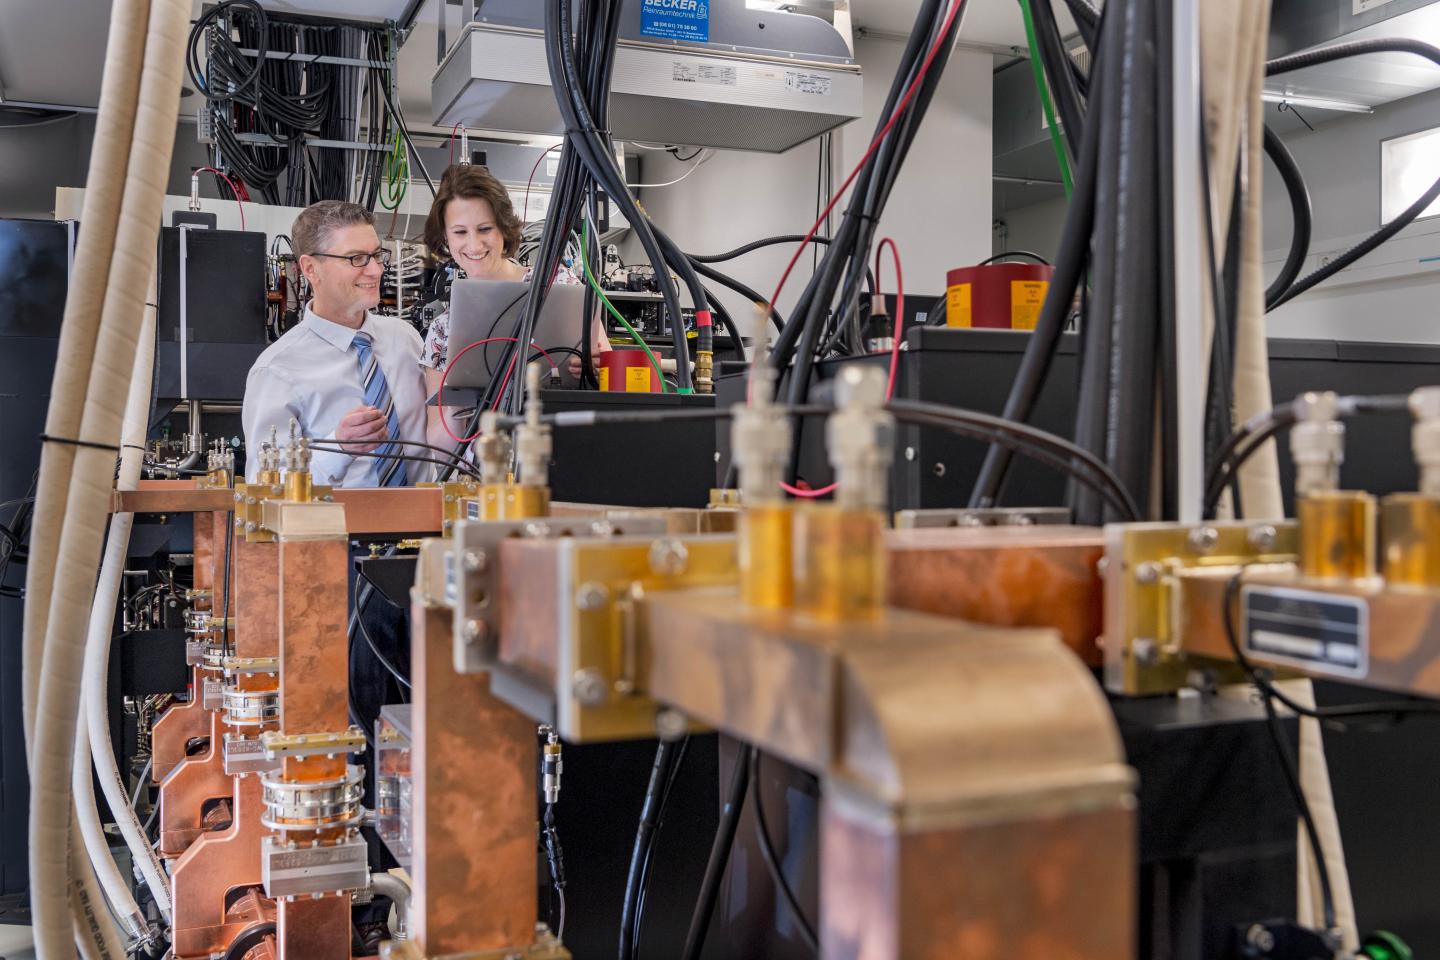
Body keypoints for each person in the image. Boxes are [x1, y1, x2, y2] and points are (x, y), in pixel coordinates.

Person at [418, 164, 609, 447]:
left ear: (504, 229)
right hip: (485, 475)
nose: (474, 244)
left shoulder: (558, 285)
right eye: (459, 232)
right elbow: (438, 447)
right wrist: (455, 408)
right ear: (445, 238)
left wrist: (596, 370)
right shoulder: (442, 332)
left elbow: (611, 374)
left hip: (563, 452)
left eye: (485, 229)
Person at [242, 200, 431, 486]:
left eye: (376, 255)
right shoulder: (277, 370)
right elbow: (265, 487)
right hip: (339, 529)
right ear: (310, 268)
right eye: (356, 258)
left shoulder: (405, 339)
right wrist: (338, 448)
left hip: (424, 526)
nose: (375, 271)